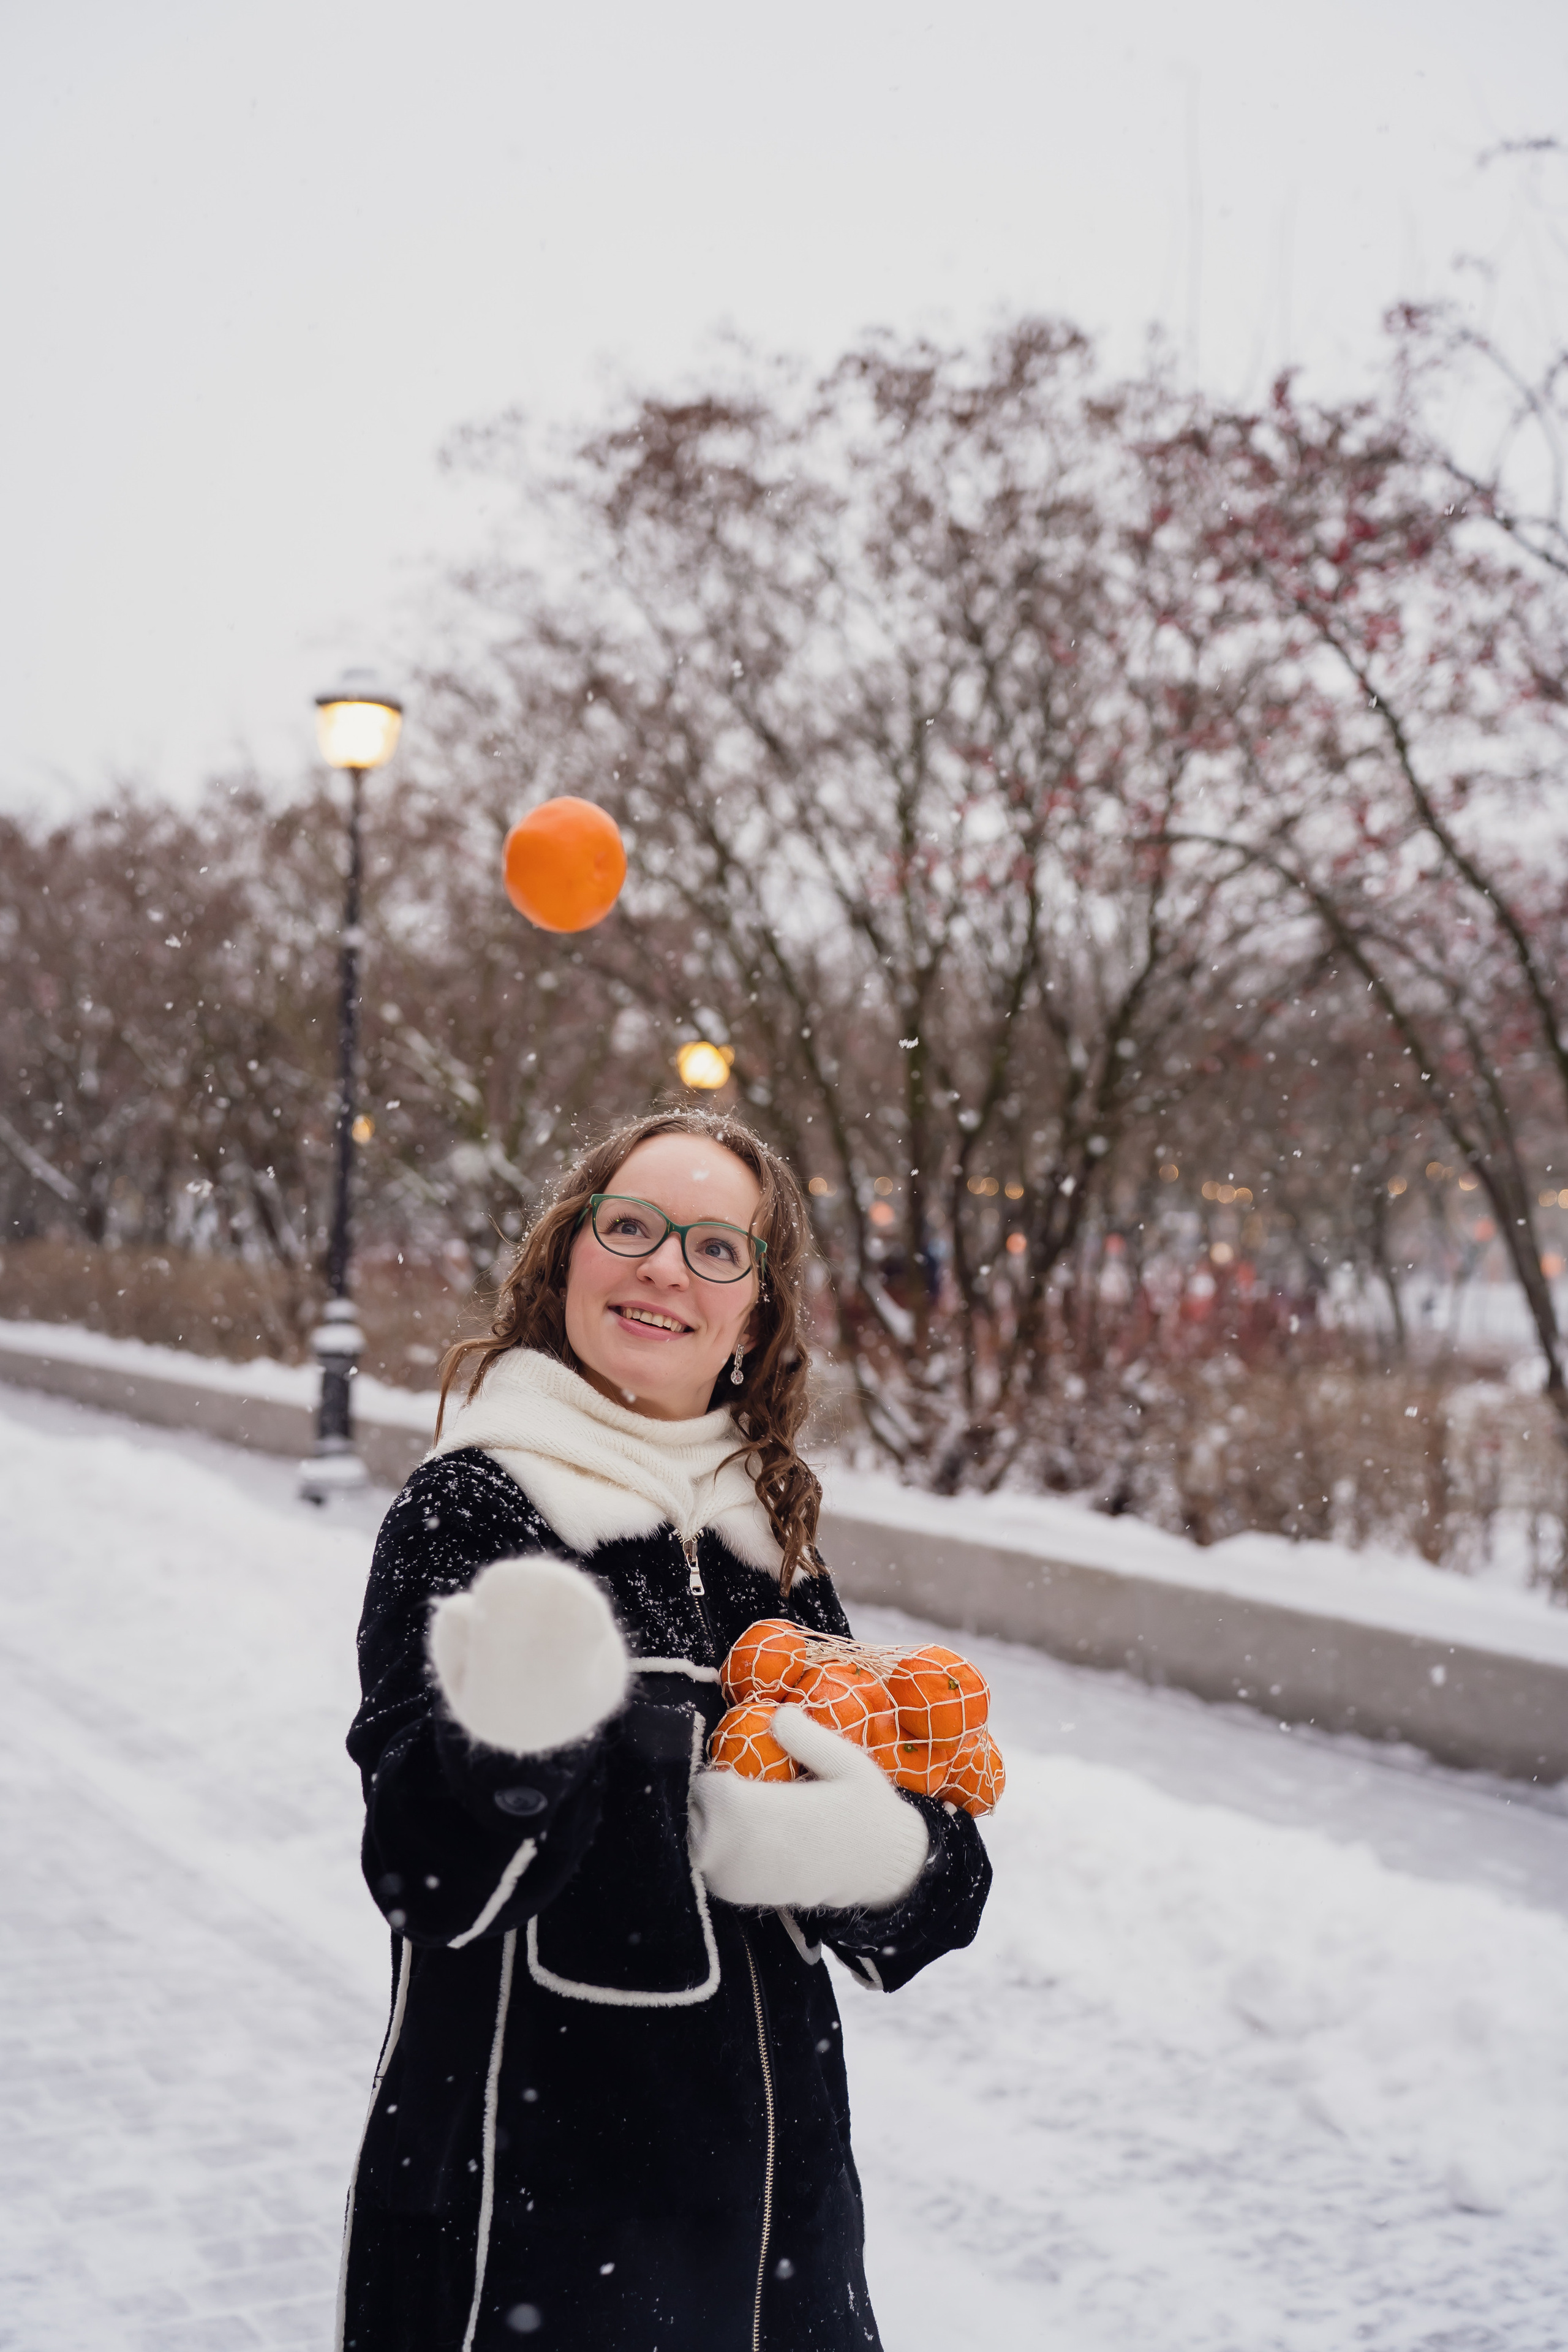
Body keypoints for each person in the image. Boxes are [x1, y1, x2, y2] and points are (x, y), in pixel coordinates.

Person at [337, 1107, 992, 2351]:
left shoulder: (768, 1536)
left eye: (712, 1248)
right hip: (532, 2245)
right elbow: (426, 1881)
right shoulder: (474, 1509)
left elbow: (940, 1902)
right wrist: (519, 1750)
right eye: (629, 1226)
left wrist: (876, 1855)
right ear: (566, 1256)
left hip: (781, 2251)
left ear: (754, 1314)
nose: (660, 1267)